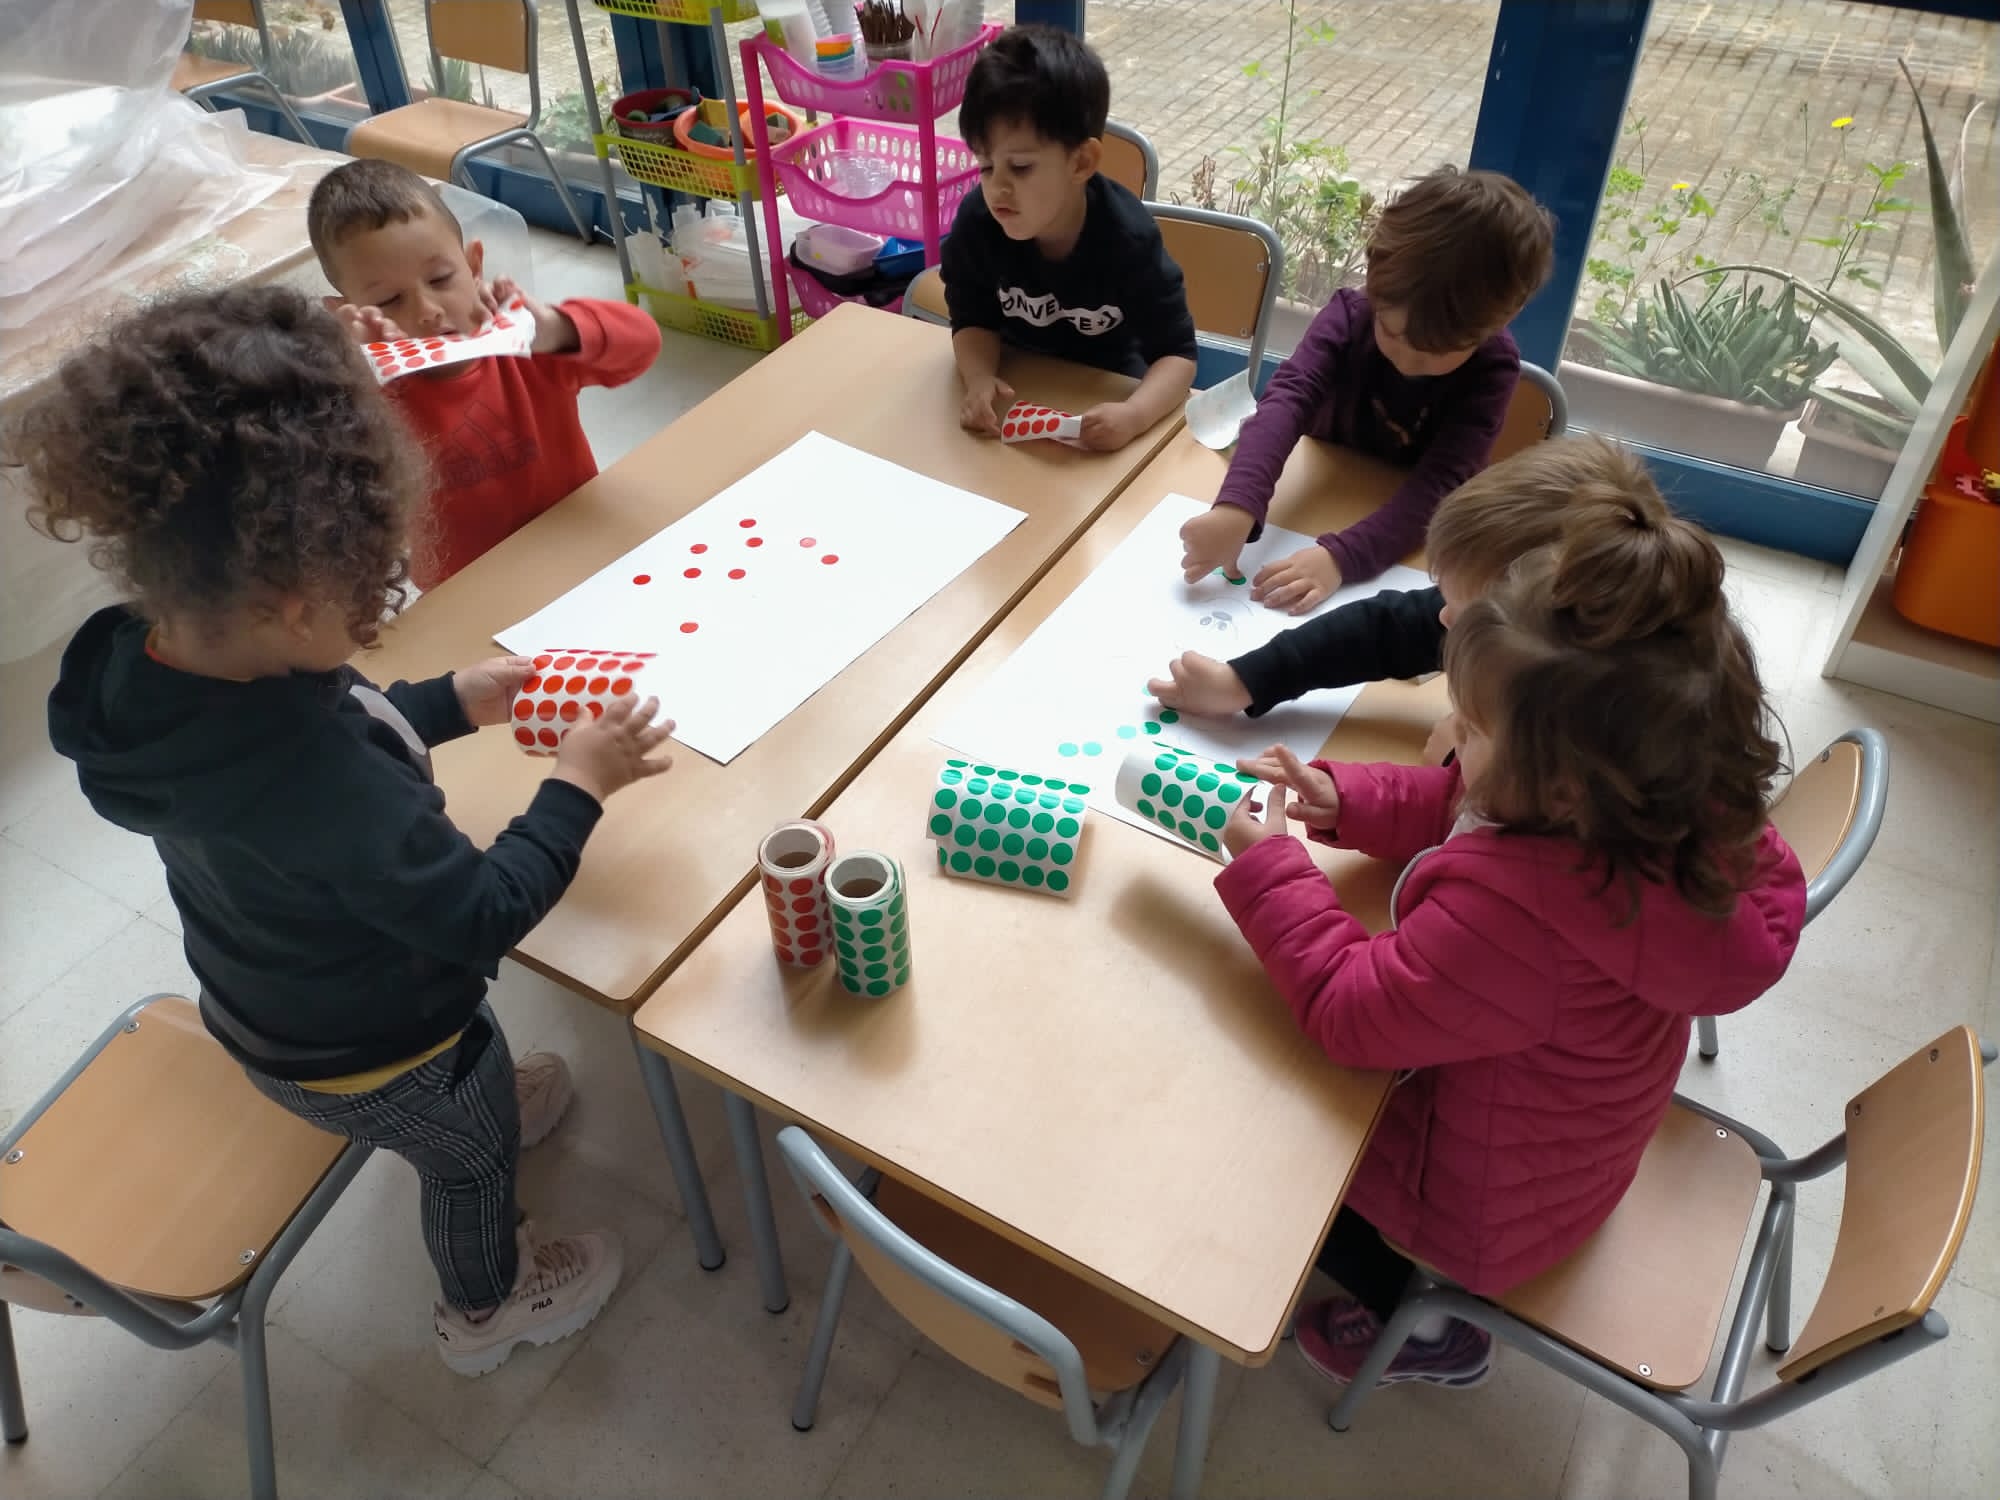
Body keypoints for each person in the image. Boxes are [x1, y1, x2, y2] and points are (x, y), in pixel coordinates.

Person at [20, 287, 675, 1376]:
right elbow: (482, 915)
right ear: (291, 600)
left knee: (466, 1099)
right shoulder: (317, 779)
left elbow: (338, 710)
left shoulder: (143, 659)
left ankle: (472, 1104)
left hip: (267, 997)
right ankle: (486, 1308)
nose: (381, 608)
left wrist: (447, 700)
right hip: (381, 1048)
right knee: (471, 1163)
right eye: (369, 589)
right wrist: (578, 782)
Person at [1214, 503, 1806, 1391]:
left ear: (1558, 786)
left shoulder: (1524, 918)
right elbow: (1468, 809)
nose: (1452, 737)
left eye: (1471, 728)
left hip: (1481, 1213)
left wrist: (1271, 873)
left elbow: (1348, 1010)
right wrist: (1348, 799)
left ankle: (1433, 1327)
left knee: (1266, 1143)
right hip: (1566, 1150)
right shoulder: (1656, 808)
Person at [1178, 165, 1555, 612]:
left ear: (1500, 321)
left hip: (1406, 534)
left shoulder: (1492, 369)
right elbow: (1286, 403)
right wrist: (1237, 506)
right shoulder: (1349, 316)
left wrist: (1343, 558)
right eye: (1391, 333)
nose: (1407, 360)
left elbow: (1440, 486)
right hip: (1323, 481)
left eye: (1435, 351)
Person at [307, 158, 661, 589]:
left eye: (441, 278)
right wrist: (351, 376)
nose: (427, 311)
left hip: (580, 554)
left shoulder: (528, 350)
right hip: (466, 589)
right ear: (343, 312)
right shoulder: (368, 400)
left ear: (474, 267)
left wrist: (555, 329)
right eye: (388, 301)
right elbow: (324, 491)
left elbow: (643, 343)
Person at [1151, 438, 1662, 733]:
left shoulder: (1588, 737)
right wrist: (1247, 680)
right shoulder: (1520, 616)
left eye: (1460, 610)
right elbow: (1383, 629)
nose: (1442, 616)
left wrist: (1465, 763)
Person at [943, 25, 1197, 452]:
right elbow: (972, 319)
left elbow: (1179, 355)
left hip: (1108, 392)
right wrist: (979, 377)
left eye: (1020, 168)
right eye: (986, 167)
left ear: (1081, 163)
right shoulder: (978, 223)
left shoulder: (1128, 240)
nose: (997, 188)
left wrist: (1135, 416)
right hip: (1018, 388)